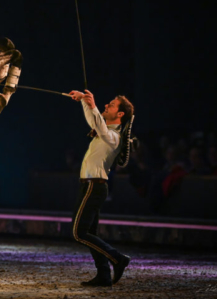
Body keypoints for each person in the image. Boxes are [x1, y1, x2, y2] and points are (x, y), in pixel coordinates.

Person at [68, 89, 133, 287]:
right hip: (90, 186)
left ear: (120, 114)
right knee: (91, 233)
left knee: (79, 233)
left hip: (93, 187)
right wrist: (83, 101)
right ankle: (104, 274)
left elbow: (98, 124)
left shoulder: (114, 136)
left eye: (111, 105)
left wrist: (92, 104)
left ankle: (118, 258)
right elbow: (94, 121)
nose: (107, 105)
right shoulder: (104, 130)